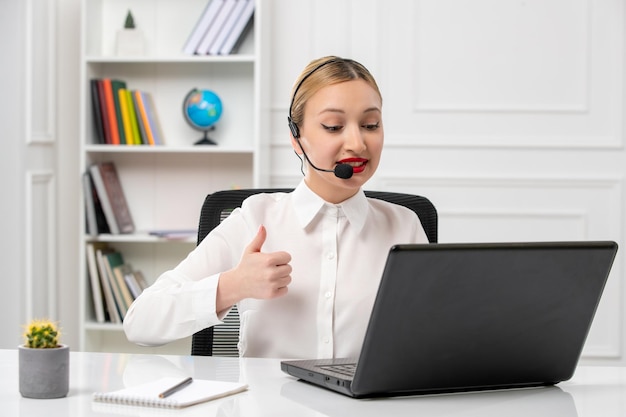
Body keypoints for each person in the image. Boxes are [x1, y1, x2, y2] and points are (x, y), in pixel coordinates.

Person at [123, 56, 428, 358]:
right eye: (334, 127)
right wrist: (233, 285)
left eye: (370, 124)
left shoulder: (404, 226)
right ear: (297, 138)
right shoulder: (253, 220)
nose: (358, 143)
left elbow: (431, 340)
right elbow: (140, 321)